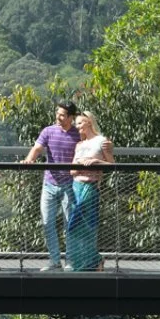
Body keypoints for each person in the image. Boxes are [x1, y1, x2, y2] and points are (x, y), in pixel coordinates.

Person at [20, 101, 80, 270]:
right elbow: (37, 148)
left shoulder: (78, 134)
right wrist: (29, 160)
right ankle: (54, 260)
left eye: (62, 114)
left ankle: (70, 261)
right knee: (47, 222)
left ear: (71, 117)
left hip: (70, 184)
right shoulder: (48, 131)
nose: (58, 117)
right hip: (49, 184)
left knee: (70, 224)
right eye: (57, 113)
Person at [67, 110, 114, 272]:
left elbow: (112, 166)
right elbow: (72, 171)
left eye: (79, 123)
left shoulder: (102, 141)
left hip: (91, 187)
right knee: (78, 226)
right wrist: (80, 166)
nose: (77, 126)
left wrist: (95, 162)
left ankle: (90, 261)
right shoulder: (79, 145)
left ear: (88, 122)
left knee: (82, 224)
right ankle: (88, 261)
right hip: (76, 186)